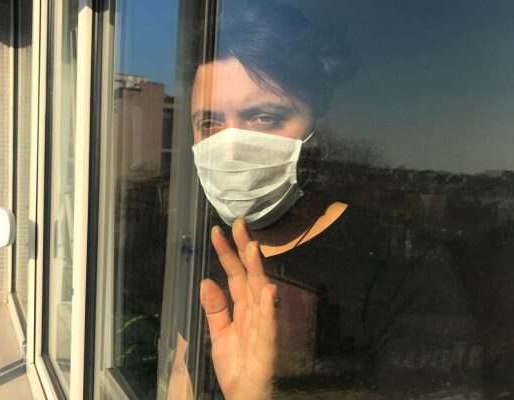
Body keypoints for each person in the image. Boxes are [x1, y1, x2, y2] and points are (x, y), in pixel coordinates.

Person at [182, 3, 483, 400]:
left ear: (317, 131)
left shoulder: (406, 267)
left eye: (264, 117)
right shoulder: (204, 250)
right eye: (210, 123)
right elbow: (181, 379)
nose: (230, 146)